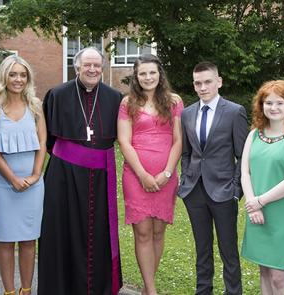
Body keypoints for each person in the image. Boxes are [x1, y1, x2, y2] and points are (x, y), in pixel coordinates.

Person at [38, 46, 123, 294]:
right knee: (61, 232)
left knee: (99, 234)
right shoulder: (57, 94)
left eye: (97, 65)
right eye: (87, 65)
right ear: (76, 67)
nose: (92, 69)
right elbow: (48, 140)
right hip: (63, 176)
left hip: (100, 178)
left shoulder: (114, 97)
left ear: (103, 68)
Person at [178, 61, 248, 295]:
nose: (203, 87)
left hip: (224, 192)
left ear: (218, 81)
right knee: (202, 248)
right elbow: (187, 153)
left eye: (208, 82)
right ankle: (203, 291)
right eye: (198, 83)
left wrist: (236, 189)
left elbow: (243, 155)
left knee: (228, 250)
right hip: (195, 191)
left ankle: (233, 292)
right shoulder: (187, 114)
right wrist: (185, 181)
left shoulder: (235, 111)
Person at [117, 54, 183, 294]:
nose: (148, 77)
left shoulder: (175, 102)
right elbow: (124, 142)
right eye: (142, 73)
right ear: (136, 76)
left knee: (158, 231)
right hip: (136, 175)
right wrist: (143, 175)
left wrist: (167, 173)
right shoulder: (128, 103)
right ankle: (152, 290)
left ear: (160, 74)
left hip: (166, 176)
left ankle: (147, 288)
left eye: (152, 72)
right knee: (143, 232)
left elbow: (179, 141)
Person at [240, 80, 284, 294]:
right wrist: (254, 205)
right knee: (264, 273)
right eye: (268, 102)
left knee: (279, 278)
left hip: (283, 215)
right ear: (261, 105)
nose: (273, 108)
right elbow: (245, 172)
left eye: (280, 103)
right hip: (256, 213)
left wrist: (260, 201)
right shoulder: (254, 135)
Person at [0, 55, 47, 295]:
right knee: (4, 239)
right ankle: (9, 291)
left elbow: (42, 142)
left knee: (28, 239)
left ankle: (26, 290)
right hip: (2, 183)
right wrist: (12, 178)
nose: (18, 79)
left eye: (23, 75)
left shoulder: (35, 104)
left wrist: (35, 175)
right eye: (13, 74)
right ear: (4, 77)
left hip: (32, 184)